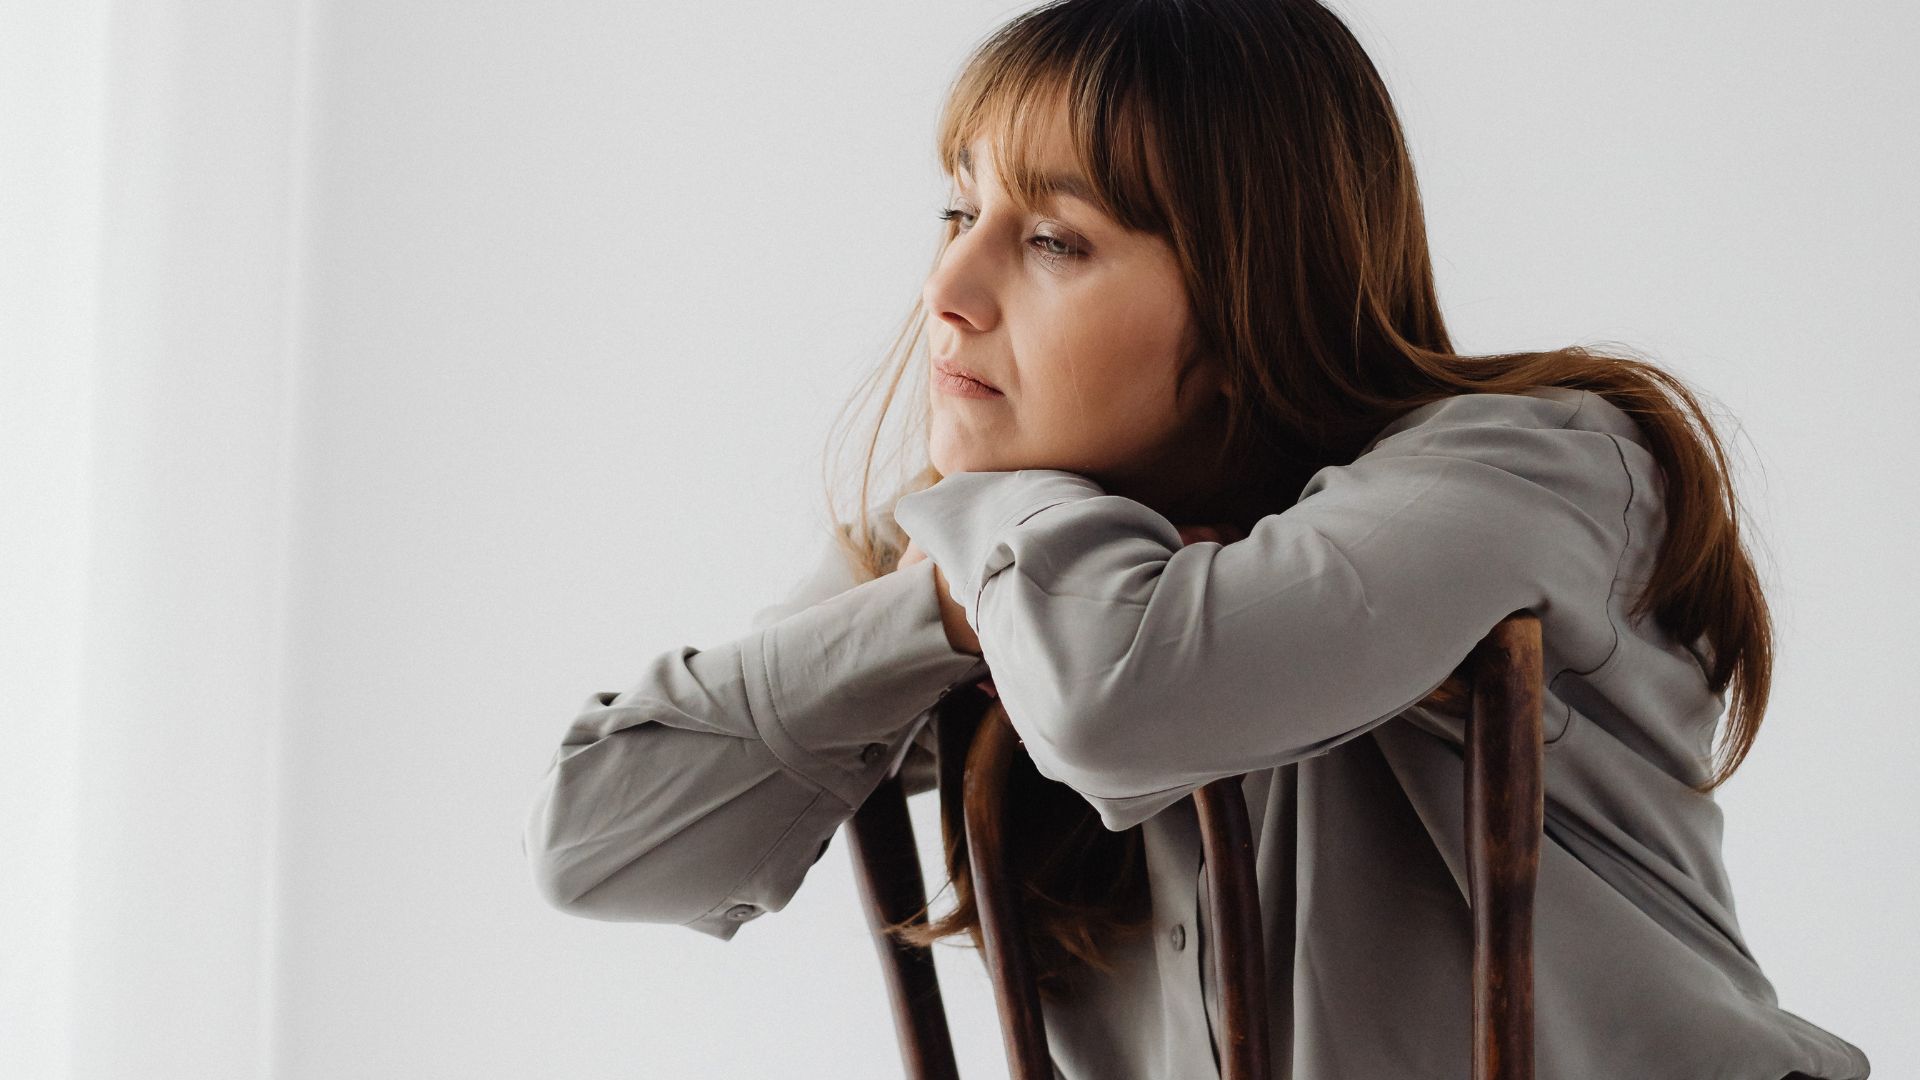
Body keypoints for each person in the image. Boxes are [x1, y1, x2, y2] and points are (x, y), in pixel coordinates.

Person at [521, 1, 1872, 1077]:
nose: (947, 287)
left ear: (1246, 298)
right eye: (956, 209)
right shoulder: (973, 565)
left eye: (1052, 237)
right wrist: (931, 615)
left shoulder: (1532, 466)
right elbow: (599, 843)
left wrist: (999, 535)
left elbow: (1126, 693)